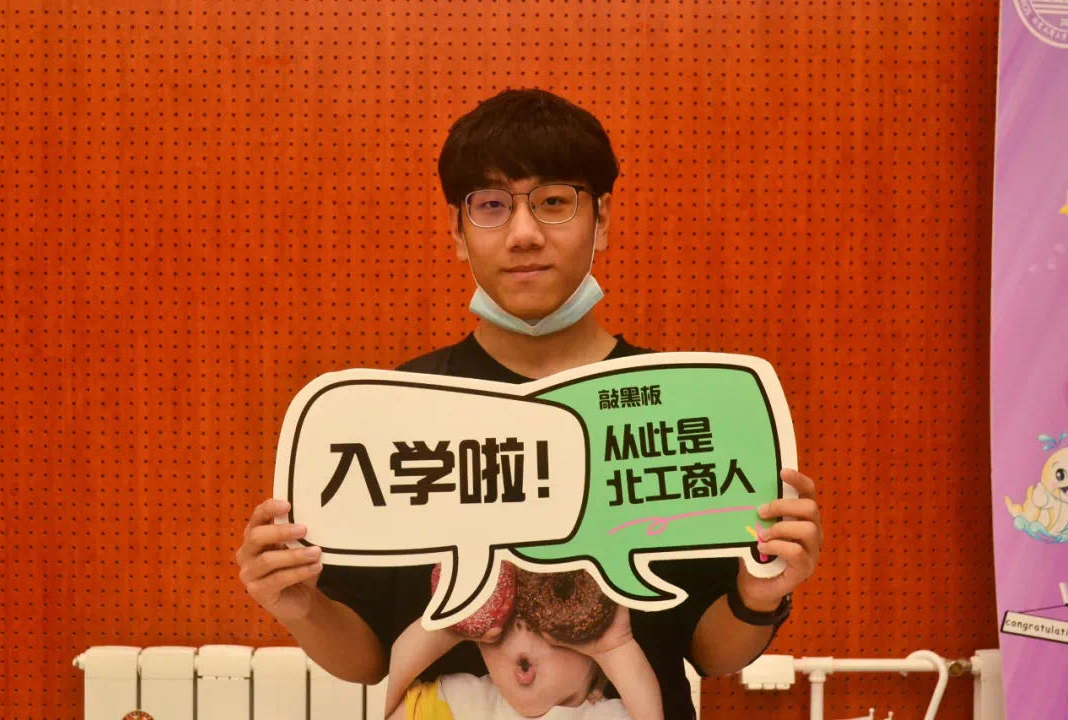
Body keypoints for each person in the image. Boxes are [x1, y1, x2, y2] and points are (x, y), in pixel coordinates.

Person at [235, 88, 824, 720]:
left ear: (601, 220)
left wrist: (758, 596)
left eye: (553, 202)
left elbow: (710, 652)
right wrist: (301, 606)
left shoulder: (677, 406)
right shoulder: (397, 410)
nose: (523, 234)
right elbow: (368, 656)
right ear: (458, 231)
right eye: (491, 205)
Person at [384, 566, 662, 720]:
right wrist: (451, 623)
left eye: (544, 616)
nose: (522, 625)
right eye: (506, 619)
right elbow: (390, 712)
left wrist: (616, 648)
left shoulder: (608, 717)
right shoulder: (461, 704)